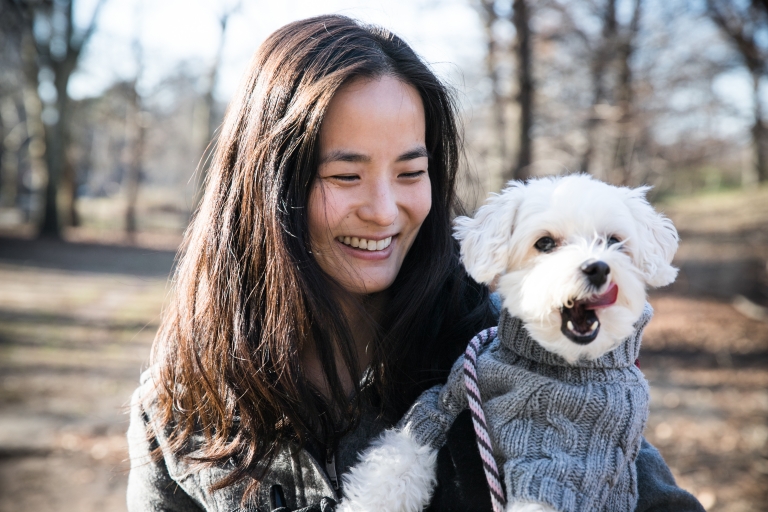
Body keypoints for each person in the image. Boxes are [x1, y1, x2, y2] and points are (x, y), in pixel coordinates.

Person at [127, 15, 704, 512]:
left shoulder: (514, 349)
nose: (384, 212)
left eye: (410, 173)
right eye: (345, 175)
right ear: (267, 188)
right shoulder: (180, 402)